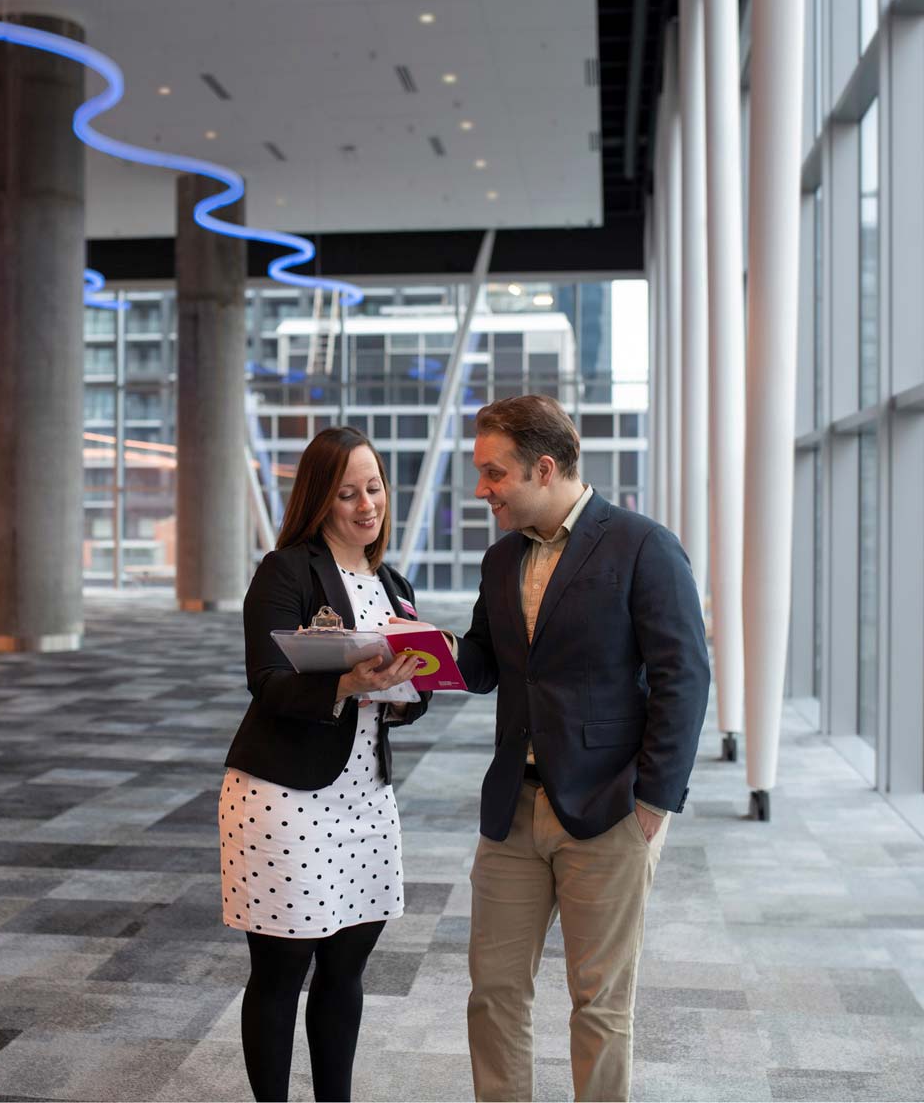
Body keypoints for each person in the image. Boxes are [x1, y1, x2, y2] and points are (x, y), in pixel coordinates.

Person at [453, 395, 710, 1103]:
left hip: (607, 807)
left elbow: (683, 676)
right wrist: (429, 651)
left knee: (598, 1005)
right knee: (493, 995)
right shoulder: (502, 558)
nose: (483, 490)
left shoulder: (641, 545)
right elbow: (487, 660)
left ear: (543, 467)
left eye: (494, 473)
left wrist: (653, 802)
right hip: (513, 809)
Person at [219, 426, 428, 1103]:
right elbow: (267, 680)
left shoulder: (394, 584)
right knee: (282, 969)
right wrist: (347, 684)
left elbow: (404, 699)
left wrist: (405, 690)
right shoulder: (287, 570)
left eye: (374, 487)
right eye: (348, 492)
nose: (367, 504)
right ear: (319, 499)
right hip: (283, 796)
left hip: (365, 799)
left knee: (346, 969)